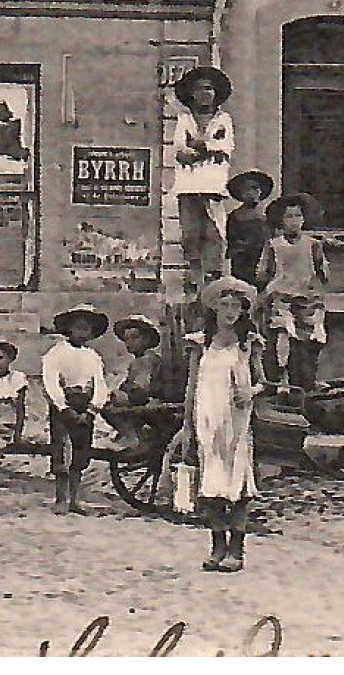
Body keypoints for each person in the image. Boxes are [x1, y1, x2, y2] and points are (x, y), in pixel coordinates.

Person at [180, 277, 265, 573]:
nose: (230, 312)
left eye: (236, 307)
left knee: (238, 483)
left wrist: (250, 392)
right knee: (212, 483)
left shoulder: (248, 344)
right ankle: (217, 545)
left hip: (237, 422)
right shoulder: (200, 343)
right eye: (224, 305)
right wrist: (187, 427)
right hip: (207, 419)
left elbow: (263, 382)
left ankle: (237, 549)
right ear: (213, 308)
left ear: (243, 312)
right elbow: (191, 387)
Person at [172, 65, 236, 301]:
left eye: (209, 89)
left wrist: (204, 146)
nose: (204, 94)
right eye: (199, 89)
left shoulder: (223, 120)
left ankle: (213, 283)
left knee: (215, 235)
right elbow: (180, 150)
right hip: (188, 188)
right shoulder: (184, 119)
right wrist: (203, 149)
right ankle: (193, 283)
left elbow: (224, 148)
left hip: (213, 188)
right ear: (191, 93)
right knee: (190, 236)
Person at [257, 194, 330, 393]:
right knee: (283, 337)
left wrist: (316, 294)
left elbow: (322, 274)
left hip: (308, 300)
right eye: (289, 217)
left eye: (298, 216)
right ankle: (283, 381)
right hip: (282, 300)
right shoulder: (274, 245)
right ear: (281, 220)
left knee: (315, 339)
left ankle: (312, 379)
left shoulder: (313, 244)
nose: (294, 221)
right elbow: (264, 274)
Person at [42, 304, 111, 514]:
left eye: (87, 328)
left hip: (85, 405)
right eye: (78, 327)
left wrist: (92, 409)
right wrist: (62, 407)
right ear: (69, 328)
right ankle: (61, 498)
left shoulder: (93, 357)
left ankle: (75, 498)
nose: (82, 332)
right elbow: (50, 382)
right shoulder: (56, 353)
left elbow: (100, 384)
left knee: (81, 453)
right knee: (61, 451)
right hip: (64, 405)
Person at [102, 314, 163, 452]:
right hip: (144, 400)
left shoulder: (145, 360)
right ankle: (135, 435)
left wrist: (123, 394)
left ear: (147, 339)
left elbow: (141, 389)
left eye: (135, 338)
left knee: (109, 409)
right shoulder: (140, 360)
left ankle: (132, 437)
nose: (129, 343)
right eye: (126, 339)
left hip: (146, 402)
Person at [225, 171, 274, 288]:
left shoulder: (267, 215)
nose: (250, 193)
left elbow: (273, 236)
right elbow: (231, 239)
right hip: (242, 259)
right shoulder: (235, 216)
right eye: (246, 190)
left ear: (260, 191)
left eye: (254, 189)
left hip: (263, 256)